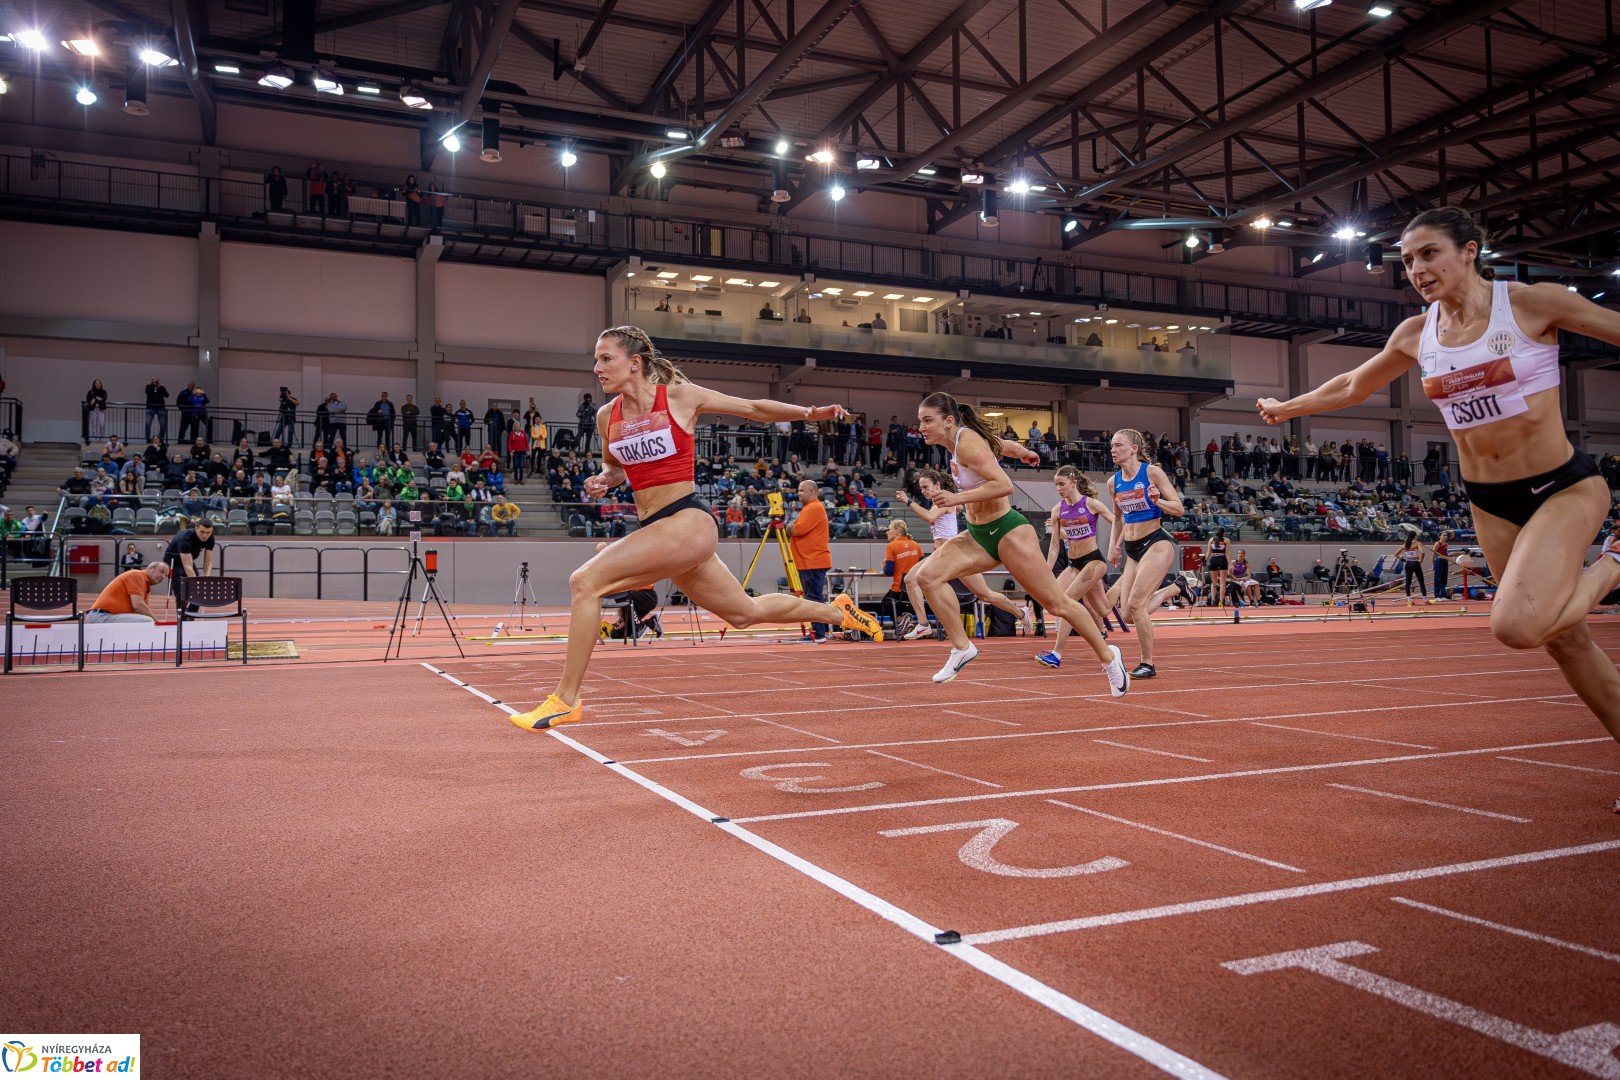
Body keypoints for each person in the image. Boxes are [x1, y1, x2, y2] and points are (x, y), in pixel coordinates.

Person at [1258, 206, 1620, 801]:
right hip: (1489, 502)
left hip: (1561, 487)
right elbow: (1353, 384)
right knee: (1567, 640)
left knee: (1516, 626)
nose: (1417, 269)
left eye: (1429, 254)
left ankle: (1614, 561)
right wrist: (1287, 408)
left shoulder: (1532, 304)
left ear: (1470, 251)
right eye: (1407, 260)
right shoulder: (1417, 333)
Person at [507, 325, 883, 731]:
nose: (596, 367)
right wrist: (604, 479)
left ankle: (565, 699)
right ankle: (839, 612)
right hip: (658, 529)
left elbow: (754, 408)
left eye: (605, 358)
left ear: (634, 363)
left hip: (688, 521)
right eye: (595, 359)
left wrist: (810, 414)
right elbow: (615, 467)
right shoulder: (606, 416)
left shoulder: (680, 398)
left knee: (585, 582)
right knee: (744, 613)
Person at [904, 393, 1127, 692]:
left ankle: (1109, 657)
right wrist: (1021, 451)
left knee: (1057, 604)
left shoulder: (966, 443)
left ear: (948, 421)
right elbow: (998, 446)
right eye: (920, 421)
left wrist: (957, 497)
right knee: (926, 577)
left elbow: (1003, 485)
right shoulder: (956, 442)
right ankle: (961, 647)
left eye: (927, 420)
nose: (922, 427)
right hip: (978, 534)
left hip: (1008, 531)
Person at [895, 470, 1030, 641]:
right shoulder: (944, 501)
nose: (923, 491)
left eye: (926, 487)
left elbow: (930, 517)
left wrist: (908, 501)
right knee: (911, 579)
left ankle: (1020, 612)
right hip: (941, 556)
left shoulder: (943, 500)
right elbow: (957, 508)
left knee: (984, 595)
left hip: (957, 557)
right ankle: (923, 624)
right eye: (921, 488)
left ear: (937, 486)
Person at [1103, 428, 1186, 678]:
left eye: (1118, 445)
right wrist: (1113, 546)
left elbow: (1179, 508)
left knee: (1136, 604)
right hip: (1132, 549)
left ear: (1134, 449)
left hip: (1156, 543)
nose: (1113, 450)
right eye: (1112, 446)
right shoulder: (1113, 482)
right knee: (1128, 615)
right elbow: (1118, 518)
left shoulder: (1151, 472)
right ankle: (1173, 589)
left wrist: (1158, 500)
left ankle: (1147, 663)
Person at [1034, 465, 1119, 667]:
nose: (1058, 488)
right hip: (1074, 566)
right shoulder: (1058, 510)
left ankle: (1056, 654)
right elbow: (1054, 545)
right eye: (1055, 485)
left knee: (1066, 601)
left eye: (1061, 484)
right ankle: (1127, 580)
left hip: (1094, 561)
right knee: (1104, 609)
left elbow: (1117, 521)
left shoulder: (1091, 504)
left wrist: (1115, 546)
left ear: (1073, 481)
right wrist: (1046, 571)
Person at [789, 479, 834, 641]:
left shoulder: (813, 507)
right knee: (813, 598)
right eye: (798, 490)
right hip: (809, 561)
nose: (798, 493)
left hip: (812, 562)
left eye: (801, 490)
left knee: (813, 599)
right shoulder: (810, 508)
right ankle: (818, 631)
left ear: (811, 491)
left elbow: (797, 529)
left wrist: (789, 526)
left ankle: (819, 633)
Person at [85, 563, 170, 624]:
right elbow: (138, 605)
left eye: (165, 575)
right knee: (148, 621)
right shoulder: (137, 575)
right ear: (150, 568)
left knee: (145, 620)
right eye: (161, 571)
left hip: (107, 616)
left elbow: (141, 611)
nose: (163, 576)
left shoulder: (146, 587)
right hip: (101, 616)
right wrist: (157, 622)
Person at [881, 520, 924, 622]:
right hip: (916, 590)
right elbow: (923, 567)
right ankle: (905, 619)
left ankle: (900, 623)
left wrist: (883, 565)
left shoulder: (891, 546)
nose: (887, 532)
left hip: (899, 590)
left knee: (886, 602)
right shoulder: (916, 545)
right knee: (903, 603)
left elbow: (889, 571)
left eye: (889, 529)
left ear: (896, 531)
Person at [1393, 532, 1427, 597]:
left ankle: (1409, 600)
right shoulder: (1417, 543)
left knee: (1408, 583)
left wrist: (1404, 560)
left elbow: (1396, 554)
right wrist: (1421, 560)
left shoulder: (1405, 544)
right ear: (1415, 536)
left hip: (1408, 563)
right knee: (1421, 582)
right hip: (1416, 563)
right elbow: (1423, 553)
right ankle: (1425, 599)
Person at [1206, 526, 1231, 608]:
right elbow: (1227, 553)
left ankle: (1213, 600)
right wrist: (1230, 563)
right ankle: (1221, 601)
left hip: (1213, 559)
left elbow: (1208, 552)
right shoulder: (1226, 540)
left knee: (1214, 582)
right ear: (1224, 533)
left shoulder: (1211, 540)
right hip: (1222, 559)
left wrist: (1205, 560)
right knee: (1222, 582)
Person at [1432, 528, 1452, 600]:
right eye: (1444, 535)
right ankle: (1437, 595)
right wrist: (1433, 564)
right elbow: (1433, 553)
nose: (1445, 537)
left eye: (1446, 535)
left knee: (1444, 578)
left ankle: (1443, 594)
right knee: (1438, 578)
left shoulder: (1446, 544)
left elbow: (1446, 553)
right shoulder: (1437, 543)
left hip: (1445, 561)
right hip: (1439, 561)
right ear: (1439, 536)